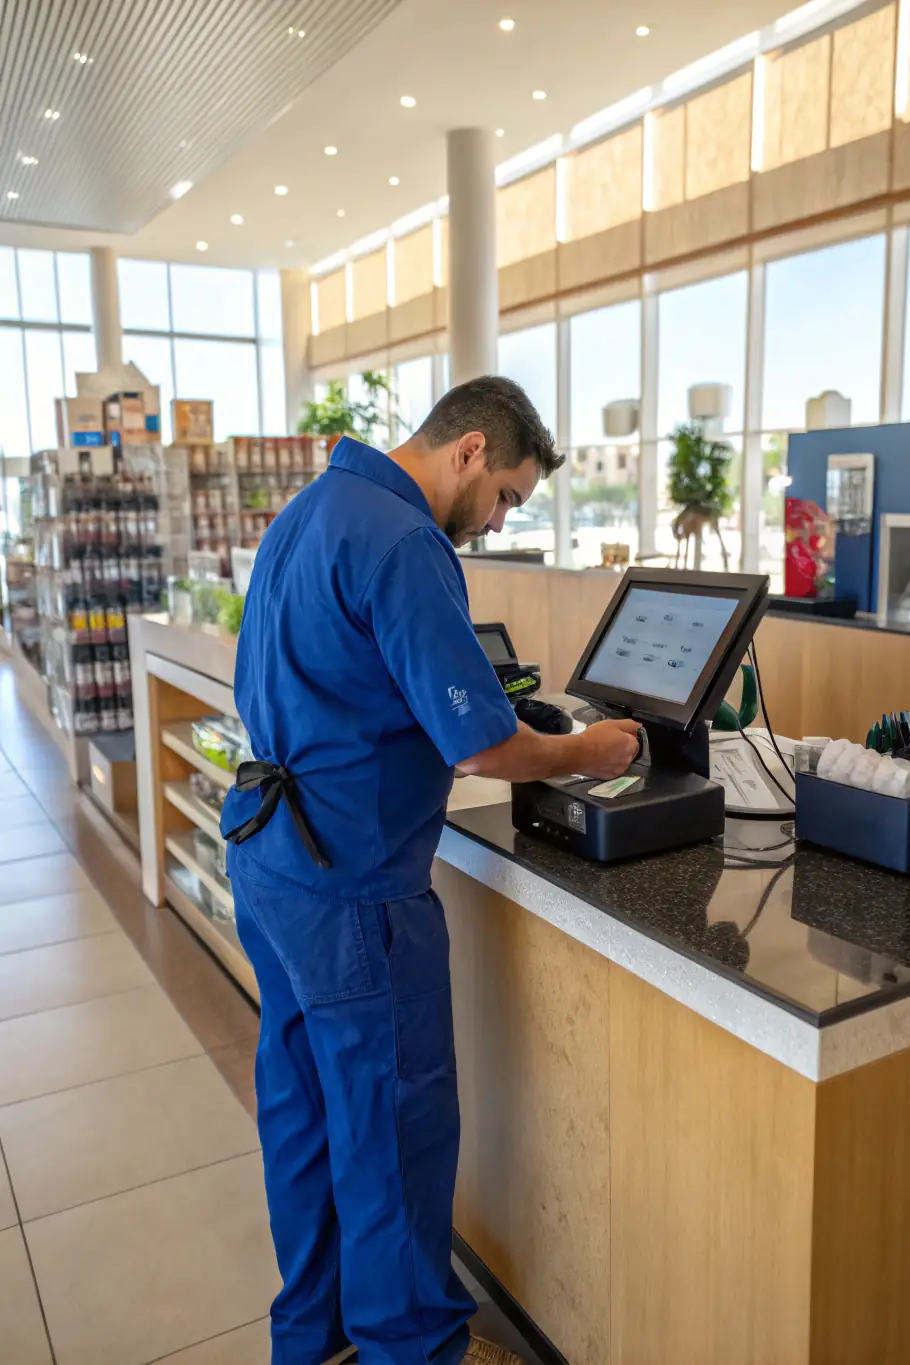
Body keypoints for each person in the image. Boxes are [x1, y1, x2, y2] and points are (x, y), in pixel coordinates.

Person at [222, 376, 640, 1365]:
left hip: (270, 859)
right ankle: (409, 1348)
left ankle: (312, 1335)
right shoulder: (407, 539)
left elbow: (355, 679)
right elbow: (480, 749)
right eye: (504, 499)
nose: (494, 524)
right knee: (390, 1131)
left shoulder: (312, 507)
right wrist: (588, 751)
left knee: (306, 1112)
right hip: (351, 882)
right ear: (467, 453)